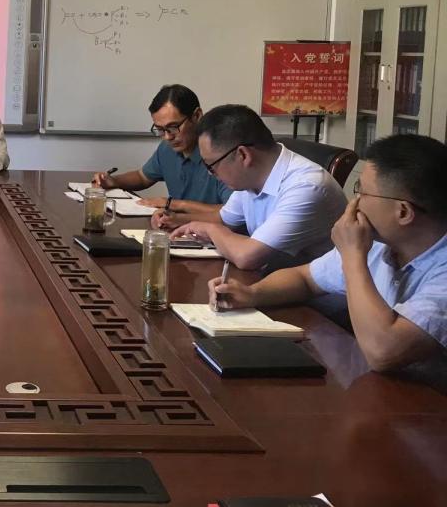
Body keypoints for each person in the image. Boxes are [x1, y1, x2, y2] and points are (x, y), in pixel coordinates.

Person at [210, 134, 447, 377]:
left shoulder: (373, 247)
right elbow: (305, 278)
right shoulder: (380, 243)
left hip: (424, 396)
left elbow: (382, 352)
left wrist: (353, 256)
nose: (354, 203)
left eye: (362, 193)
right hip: (372, 383)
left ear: (403, 212)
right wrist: (252, 294)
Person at [168, 104, 346, 271]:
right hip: (275, 278)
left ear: (243, 155)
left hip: (313, 292)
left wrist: (210, 230)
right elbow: (223, 219)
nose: (210, 173)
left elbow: (246, 256)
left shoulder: (306, 187)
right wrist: (176, 220)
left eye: (211, 166)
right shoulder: (251, 177)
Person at [90, 84, 231, 219]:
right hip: (179, 227)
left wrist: (174, 204)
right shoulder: (167, 148)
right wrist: (114, 181)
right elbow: (143, 177)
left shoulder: (221, 153)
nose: (168, 137)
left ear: (197, 116)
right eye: (160, 129)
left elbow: (233, 212)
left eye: (173, 127)